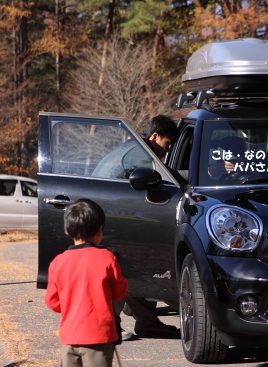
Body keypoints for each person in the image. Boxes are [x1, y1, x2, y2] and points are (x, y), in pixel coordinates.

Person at [45, 199, 128, 367]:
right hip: (99, 336)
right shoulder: (107, 258)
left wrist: (72, 303)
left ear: (67, 231)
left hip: (69, 335)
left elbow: (52, 302)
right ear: (100, 231)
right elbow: (119, 292)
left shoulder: (58, 262)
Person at [122, 115, 181, 337]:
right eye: (166, 145)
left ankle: (146, 322)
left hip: (119, 216)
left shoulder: (132, 148)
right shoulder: (142, 156)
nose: (166, 151)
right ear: (154, 136)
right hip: (124, 218)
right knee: (144, 269)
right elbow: (162, 180)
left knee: (131, 270)